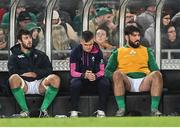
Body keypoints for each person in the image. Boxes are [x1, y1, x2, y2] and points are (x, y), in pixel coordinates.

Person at [105, 25, 163, 116]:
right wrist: (117, 81)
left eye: (138, 35)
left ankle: (154, 109)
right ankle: (121, 109)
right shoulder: (118, 52)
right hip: (126, 81)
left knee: (157, 74)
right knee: (117, 73)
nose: (137, 38)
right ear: (127, 37)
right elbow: (107, 71)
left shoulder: (146, 50)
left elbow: (155, 69)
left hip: (144, 81)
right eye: (134, 36)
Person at [8, 29, 60, 118]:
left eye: (30, 38)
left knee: (55, 78)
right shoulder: (14, 56)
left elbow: (49, 69)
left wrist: (36, 74)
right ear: (20, 41)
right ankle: (25, 111)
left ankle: (43, 111)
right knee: (13, 78)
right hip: (24, 84)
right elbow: (12, 71)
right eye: (26, 38)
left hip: (39, 83)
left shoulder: (40, 54)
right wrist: (24, 74)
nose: (29, 40)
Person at [69, 31, 110, 117]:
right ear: (81, 42)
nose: (88, 47)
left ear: (93, 41)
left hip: (94, 80)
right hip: (81, 79)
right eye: (86, 45)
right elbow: (73, 72)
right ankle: (74, 111)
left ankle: (101, 110)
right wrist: (84, 75)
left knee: (105, 82)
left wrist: (95, 76)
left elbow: (102, 71)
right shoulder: (75, 52)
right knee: (74, 83)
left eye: (90, 44)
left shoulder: (98, 52)